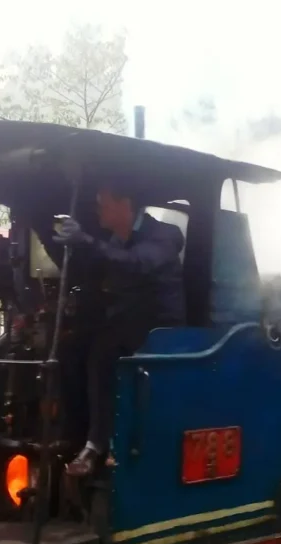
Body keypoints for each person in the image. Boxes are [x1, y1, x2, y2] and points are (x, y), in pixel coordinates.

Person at [53, 183, 185, 476]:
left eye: (104, 203)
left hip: (162, 326)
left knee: (105, 349)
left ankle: (97, 443)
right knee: (69, 348)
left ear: (125, 204)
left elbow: (134, 264)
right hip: (125, 321)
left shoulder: (163, 236)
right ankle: (74, 433)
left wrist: (86, 241)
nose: (98, 210)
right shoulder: (114, 241)